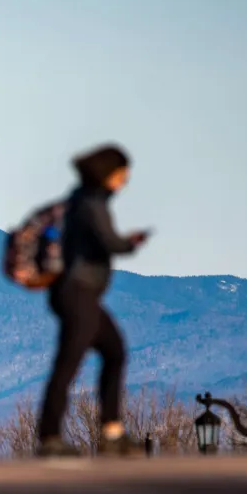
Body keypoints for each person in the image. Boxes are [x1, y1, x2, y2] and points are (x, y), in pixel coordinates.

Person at [37, 144, 149, 457]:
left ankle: (111, 432)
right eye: (122, 173)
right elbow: (109, 241)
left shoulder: (79, 199)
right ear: (108, 173)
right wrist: (130, 242)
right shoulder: (91, 203)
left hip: (78, 295)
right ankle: (50, 438)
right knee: (69, 364)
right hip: (78, 295)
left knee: (114, 352)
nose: (125, 180)